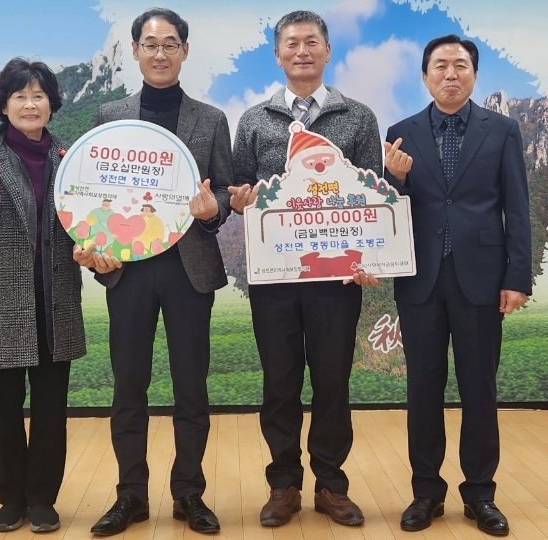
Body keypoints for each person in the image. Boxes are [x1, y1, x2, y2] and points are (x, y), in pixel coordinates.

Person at [230, 10, 381, 528]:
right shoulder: (255, 119)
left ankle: (332, 485)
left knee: (333, 381)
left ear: (327, 51)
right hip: (274, 276)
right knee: (280, 382)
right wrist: (240, 199)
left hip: (336, 277)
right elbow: (239, 190)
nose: (302, 51)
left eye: (311, 42)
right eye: (291, 43)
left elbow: (370, 194)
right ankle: (283, 484)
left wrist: (369, 258)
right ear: (277, 55)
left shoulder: (358, 117)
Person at [89, 8, 233, 536]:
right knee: (129, 386)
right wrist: (95, 245)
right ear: (134, 50)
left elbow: (224, 191)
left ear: (185, 51)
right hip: (128, 271)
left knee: (191, 387)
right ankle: (131, 495)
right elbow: (91, 193)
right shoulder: (110, 116)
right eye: (150, 44)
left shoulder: (211, 119)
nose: (160, 53)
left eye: (170, 44)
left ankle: (188, 493)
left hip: (188, 271)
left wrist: (213, 209)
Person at [383, 35, 532, 536]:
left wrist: (516, 276)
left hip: (483, 280)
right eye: (441, 66)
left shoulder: (502, 130)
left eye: (460, 65)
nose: (451, 74)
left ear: (474, 74)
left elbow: (517, 206)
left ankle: (480, 494)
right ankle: (426, 492)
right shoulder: (400, 132)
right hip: (419, 279)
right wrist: (394, 180)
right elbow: (387, 209)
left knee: (479, 389)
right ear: (425, 76)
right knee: (422, 389)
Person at [0, 58, 95, 533]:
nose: (30, 104)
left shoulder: (70, 156)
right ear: (3, 106)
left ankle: (42, 499)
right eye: (20, 96)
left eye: (39, 96)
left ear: (52, 104)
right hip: (3, 302)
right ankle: (11, 499)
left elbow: (86, 224)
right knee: (5, 408)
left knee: (52, 408)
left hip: (56, 299)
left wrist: (92, 247)